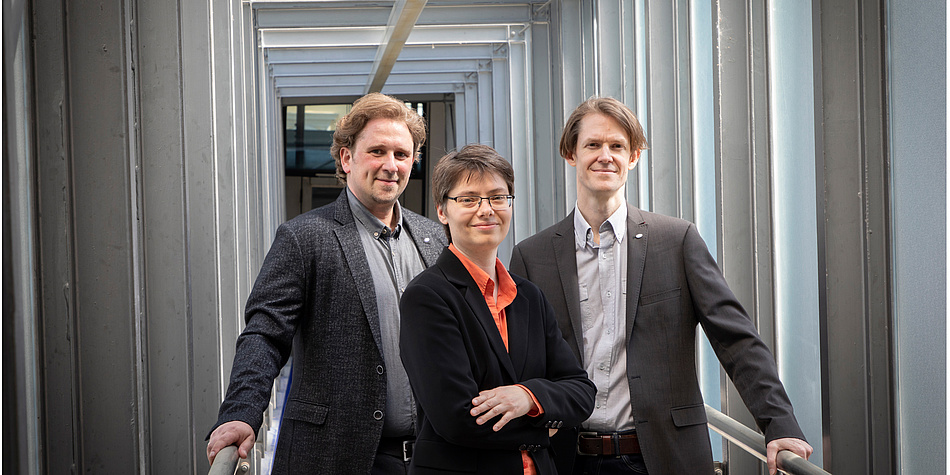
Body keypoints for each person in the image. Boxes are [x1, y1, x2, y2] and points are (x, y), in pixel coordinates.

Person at [508, 97, 813, 475]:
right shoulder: (531, 256)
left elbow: (736, 339)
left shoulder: (676, 240)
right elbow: (520, 362)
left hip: (665, 458)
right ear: (570, 154)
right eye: (593, 145)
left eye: (617, 146)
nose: (605, 155)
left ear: (633, 157)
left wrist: (778, 424)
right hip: (569, 459)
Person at [206, 92, 447, 475]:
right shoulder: (304, 237)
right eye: (378, 151)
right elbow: (266, 334)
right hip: (335, 456)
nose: (391, 165)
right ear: (347, 158)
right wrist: (241, 413)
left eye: (402, 155)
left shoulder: (435, 239)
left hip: (430, 459)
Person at [399, 144, 596, 474]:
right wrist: (544, 424)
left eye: (497, 197)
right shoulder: (427, 296)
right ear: (442, 211)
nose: (486, 209)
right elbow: (456, 418)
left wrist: (528, 397)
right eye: (469, 199)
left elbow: (580, 391)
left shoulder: (528, 296)